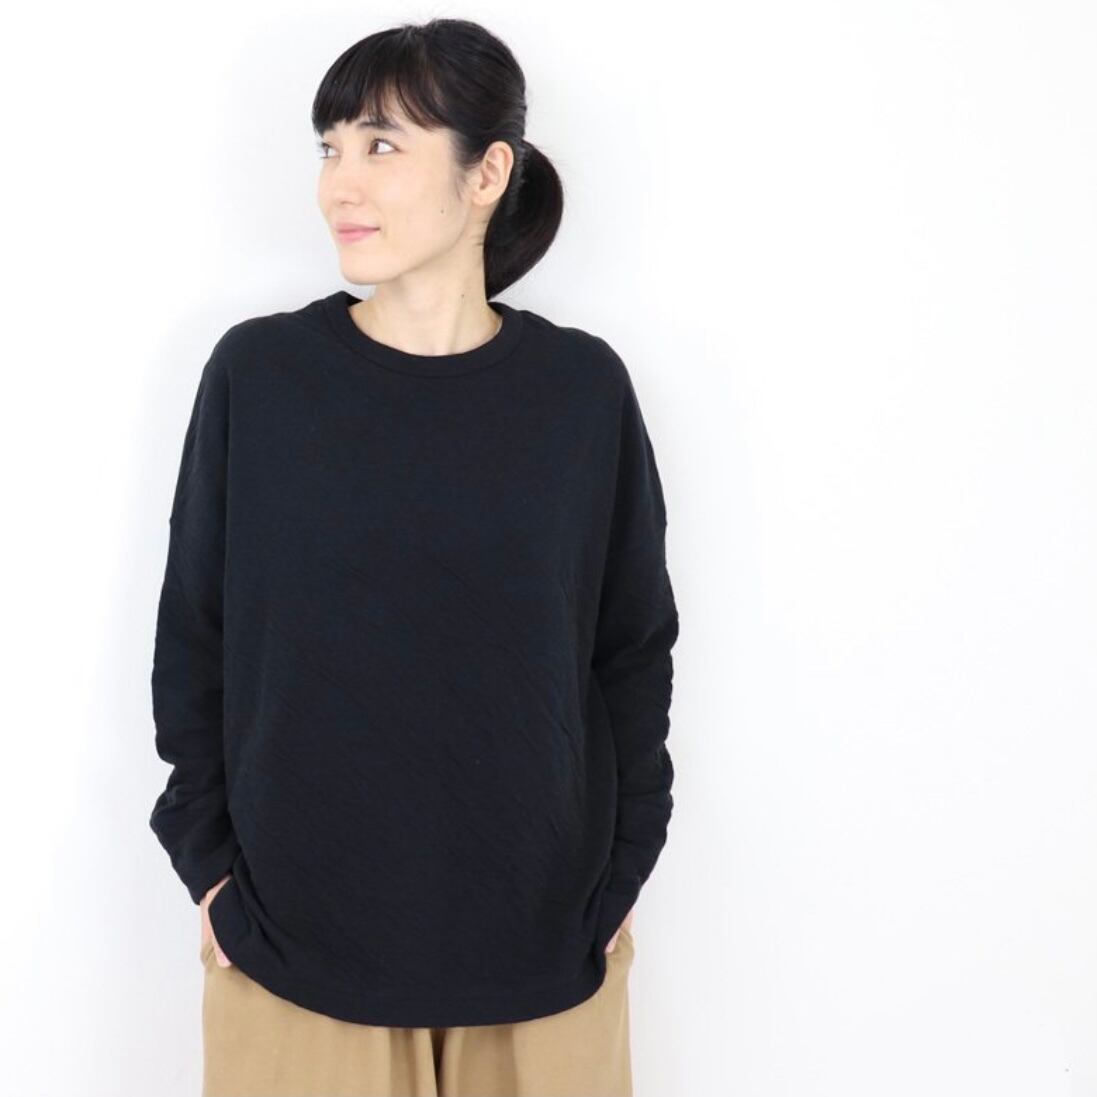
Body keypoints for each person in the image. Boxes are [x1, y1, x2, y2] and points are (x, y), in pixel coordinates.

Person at [149, 17, 679, 1097]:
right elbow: (195, 633)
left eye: (382, 144)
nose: (339, 184)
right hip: (292, 950)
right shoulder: (261, 376)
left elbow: (630, 647)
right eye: (330, 146)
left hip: (545, 952)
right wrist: (208, 865)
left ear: (488, 173)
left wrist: (625, 862)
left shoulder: (580, 393)